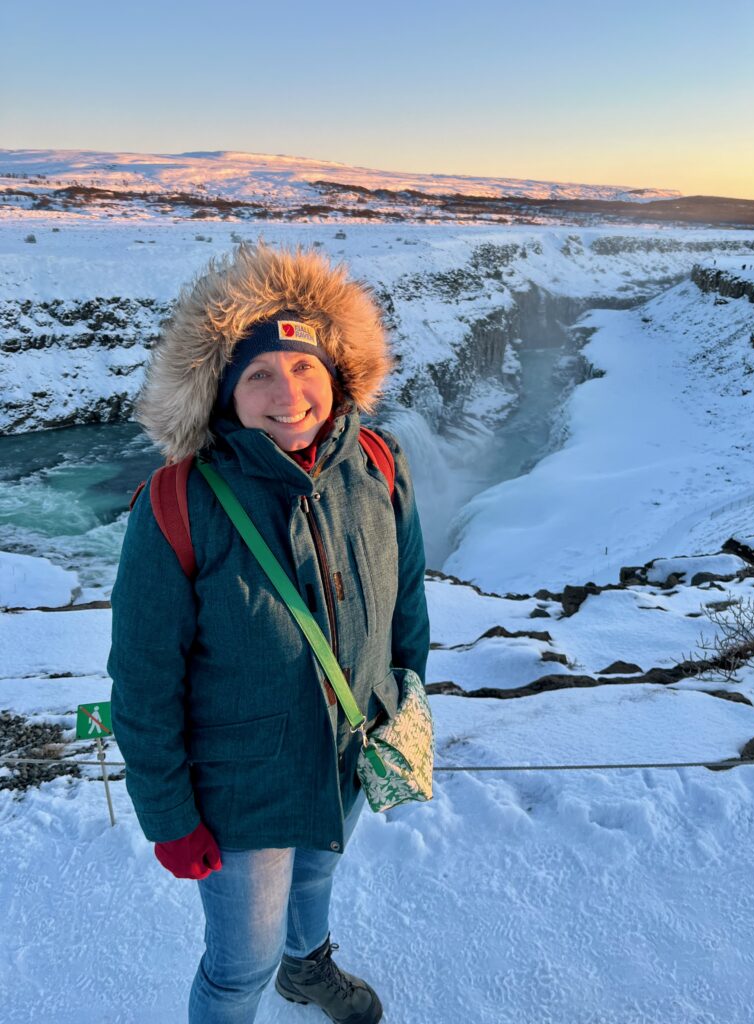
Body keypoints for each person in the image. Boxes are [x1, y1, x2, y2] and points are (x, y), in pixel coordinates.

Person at [109, 241, 430, 1024]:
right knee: (236, 964)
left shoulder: (379, 464)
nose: (287, 394)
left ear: (336, 376)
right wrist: (170, 816)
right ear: (222, 392)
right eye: (258, 374)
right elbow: (145, 679)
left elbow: (406, 599)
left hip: (345, 752)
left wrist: (403, 696)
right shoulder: (179, 503)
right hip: (239, 790)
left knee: (317, 881)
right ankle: (260, 985)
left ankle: (308, 970)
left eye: (304, 368)